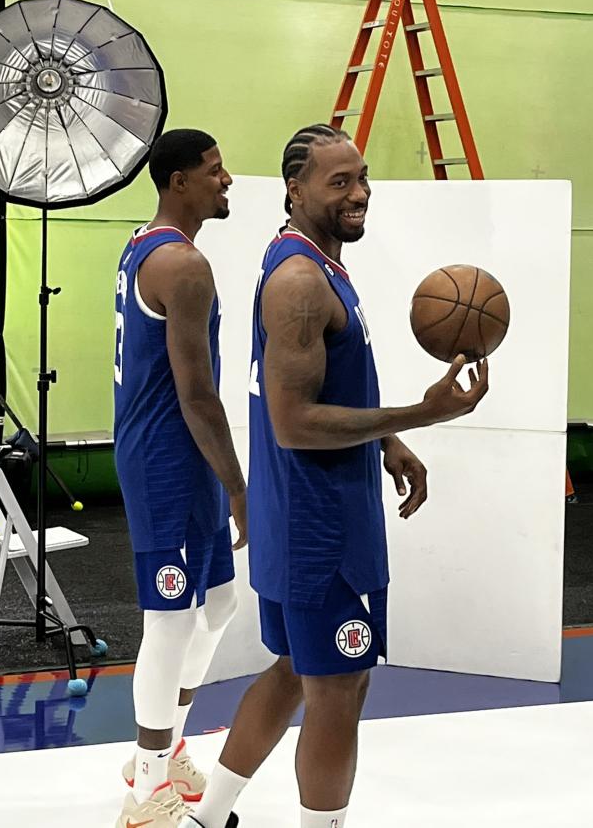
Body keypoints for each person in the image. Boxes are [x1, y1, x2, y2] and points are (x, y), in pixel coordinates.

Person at [188, 124, 489, 828]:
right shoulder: (300, 281)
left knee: (297, 669)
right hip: (320, 526)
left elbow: (326, 387)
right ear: (295, 190)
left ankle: (205, 817)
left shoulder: (311, 258)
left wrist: (387, 441)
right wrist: (422, 412)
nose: (360, 193)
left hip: (300, 513)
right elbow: (294, 421)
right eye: (340, 182)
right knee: (339, 689)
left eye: (362, 177)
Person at [113, 129, 246, 828]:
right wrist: (240, 487)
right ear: (178, 182)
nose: (227, 180)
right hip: (165, 456)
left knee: (219, 602)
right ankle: (145, 790)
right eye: (214, 170)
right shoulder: (182, 265)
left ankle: (164, 750)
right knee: (169, 620)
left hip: (185, 453)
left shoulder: (145, 243)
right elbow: (196, 394)